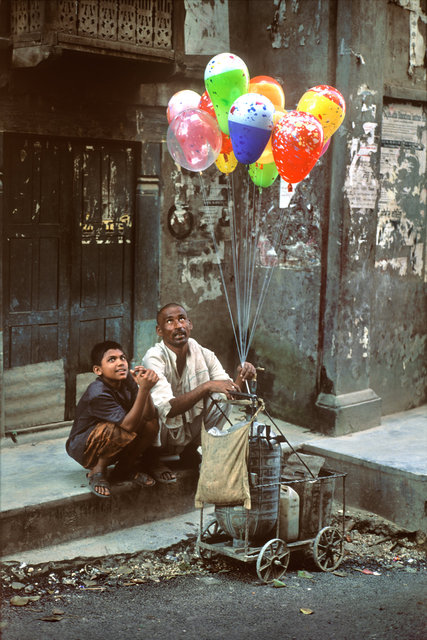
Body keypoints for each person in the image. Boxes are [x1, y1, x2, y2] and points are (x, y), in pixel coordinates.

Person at [142, 303, 256, 475]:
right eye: (170, 321)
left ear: (190, 324)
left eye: (181, 319)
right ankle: (152, 458)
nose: (178, 326)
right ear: (159, 330)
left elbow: (230, 392)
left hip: (185, 429)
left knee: (221, 399)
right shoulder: (154, 357)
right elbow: (168, 409)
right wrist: (207, 386)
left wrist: (242, 375)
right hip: (161, 432)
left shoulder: (202, 352)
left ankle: (190, 450)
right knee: (153, 406)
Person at [66, 340, 160, 498]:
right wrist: (143, 390)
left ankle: (124, 469)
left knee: (151, 424)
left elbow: (148, 415)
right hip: (83, 447)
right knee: (117, 428)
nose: (120, 363)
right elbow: (128, 426)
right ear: (98, 370)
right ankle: (98, 471)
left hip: (112, 440)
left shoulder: (126, 380)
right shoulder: (97, 392)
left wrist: (146, 389)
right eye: (112, 360)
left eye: (122, 358)